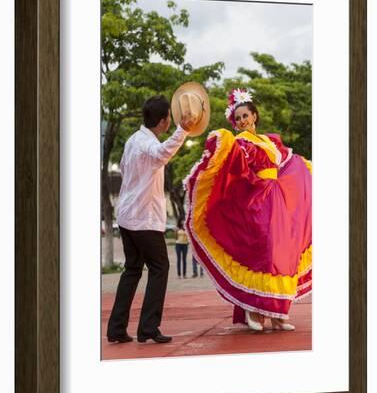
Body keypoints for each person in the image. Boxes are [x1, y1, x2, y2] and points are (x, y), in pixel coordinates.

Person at [184, 88, 312, 331]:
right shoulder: (241, 143)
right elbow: (237, 165)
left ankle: (278, 314)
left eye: (245, 116)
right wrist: (223, 139)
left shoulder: (270, 140)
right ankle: (253, 310)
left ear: (254, 116)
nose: (242, 121)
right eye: (238, 118)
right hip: (256, 200)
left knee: (280, 255)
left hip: (278, 200)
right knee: (261, 254)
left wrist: (305, 171)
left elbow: (287, 162)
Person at [106, 95, 195, 344]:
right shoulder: (148, 145)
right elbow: (161, 153)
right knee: (160, 268)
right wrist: (183, 131)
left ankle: (116, 329)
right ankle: (148, 328)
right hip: (143, 218)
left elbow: (126, 168)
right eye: (170, 117)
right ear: (164, 121)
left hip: (126, 216)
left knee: (132, 270)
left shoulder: (133, 140)